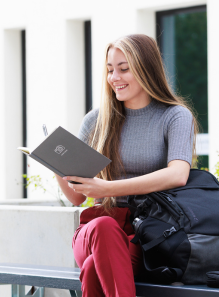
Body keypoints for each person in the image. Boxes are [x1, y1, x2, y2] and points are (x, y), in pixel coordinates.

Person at [55, 34, 199, 297]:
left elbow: (178, 174)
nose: (114, 78)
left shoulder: (175, 116)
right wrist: (56, 164)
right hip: (96, 229)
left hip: (151, 236)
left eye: (124, 69)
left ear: (146, 68)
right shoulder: (95, 121)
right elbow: (76, 197)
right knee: (103, 228)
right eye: (110, 70)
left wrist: (108, 187)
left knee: (91, 269)